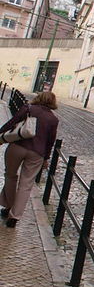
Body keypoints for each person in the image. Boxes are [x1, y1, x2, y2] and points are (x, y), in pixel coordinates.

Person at [0, 91, 59, 228]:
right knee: (26, 185)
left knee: (10, 176)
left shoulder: (28, 109)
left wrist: (0, 135)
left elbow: (12, 123)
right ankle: (14, 217)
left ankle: (8, 206)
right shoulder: (53, 119)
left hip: (18, 146)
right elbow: (51, 141)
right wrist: (46, 158)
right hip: (37, 153)